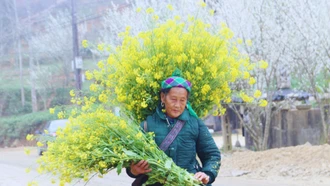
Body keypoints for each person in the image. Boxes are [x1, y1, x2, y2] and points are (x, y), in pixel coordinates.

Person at [126, 75, 221, 186]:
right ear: (163, 97)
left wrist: (207, 174)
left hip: (188, 183)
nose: (177, 105)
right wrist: (134, 170)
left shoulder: (195, 124)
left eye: (182, 100)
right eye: (173, 99)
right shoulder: (147, 125)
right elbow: (132, 162)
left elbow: (212, 155)